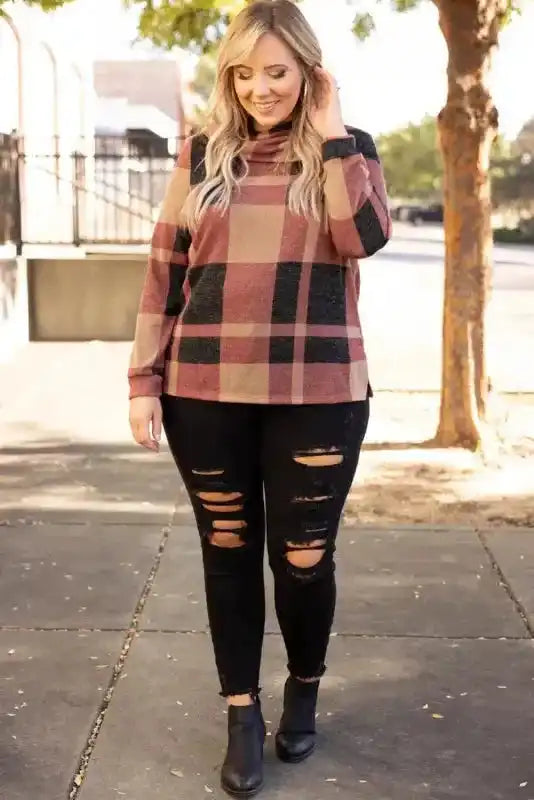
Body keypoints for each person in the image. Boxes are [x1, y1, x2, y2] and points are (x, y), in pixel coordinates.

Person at [128, 0, 391, 796]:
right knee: (228, 552)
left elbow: (364, 236)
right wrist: (143, 380)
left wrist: (333, 127)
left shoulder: (351, 153)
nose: (258, 89)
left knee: (303, 561)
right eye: (243, 74)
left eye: (275, 71)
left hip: (319, 390)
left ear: (308, 71)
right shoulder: (202, 153)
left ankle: (303, 688)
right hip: (202, 390)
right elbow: (164, 269)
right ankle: (241, 710)